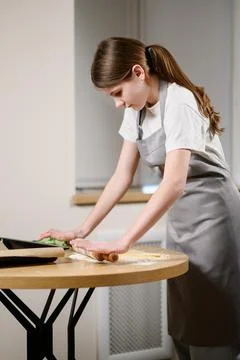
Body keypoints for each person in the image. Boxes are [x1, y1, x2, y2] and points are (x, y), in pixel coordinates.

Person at [40, 37, 240, 360]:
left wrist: (123, 242)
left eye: (117, 93)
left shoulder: (179, 101)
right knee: (184, 329)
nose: (117, 103)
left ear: (138, 73)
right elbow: (121, 177)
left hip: (215, 221)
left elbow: (174, 182)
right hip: (181, 222)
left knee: (212, 330)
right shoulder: (136, 112)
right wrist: (80, 231)